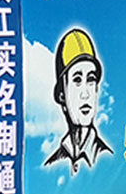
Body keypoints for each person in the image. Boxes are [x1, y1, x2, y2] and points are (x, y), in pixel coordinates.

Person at [45, 28, 112, 174]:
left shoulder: (107, 158)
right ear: (62, 95)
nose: (85, 94)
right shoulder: (52, 164)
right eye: (77, 80)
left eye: (91, 80)